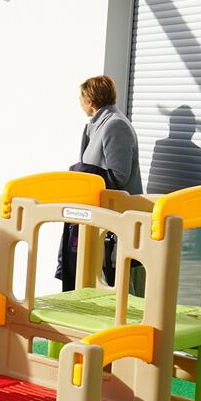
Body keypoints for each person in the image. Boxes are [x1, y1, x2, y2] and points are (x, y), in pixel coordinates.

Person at [58, 74, 144, 289]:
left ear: (90, 100)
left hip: (113, 219)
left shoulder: (115, 126)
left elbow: (119, 175)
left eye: (81, 97)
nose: (80, 102)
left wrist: (83, 174)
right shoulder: (95, 126)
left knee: (113, 276)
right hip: (96, 216)